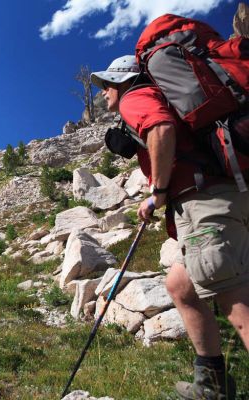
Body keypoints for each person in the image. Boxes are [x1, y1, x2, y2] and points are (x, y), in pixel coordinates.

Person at [91, 55, 249, 400]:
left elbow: (161, 128)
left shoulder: (135, 96)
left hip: (202, 201)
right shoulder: (164, 97)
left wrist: (157, 193)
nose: (104, 93)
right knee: (180, 284)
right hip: (222, 196)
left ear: (124, 81)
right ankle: (212, 385)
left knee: (237, 302)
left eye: (107, 85)